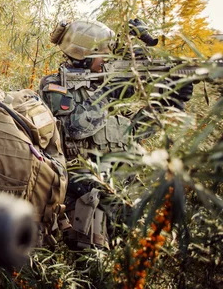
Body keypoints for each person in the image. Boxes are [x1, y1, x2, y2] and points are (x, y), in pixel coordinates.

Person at [38, 19, 193, 250]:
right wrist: (110, 92)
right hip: (83, 191)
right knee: (92, 262)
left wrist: (169, 103)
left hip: (119, 187)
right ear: (86, 55)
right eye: (104, 55)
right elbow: (76, 127)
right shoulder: (55, 85)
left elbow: (132, 130)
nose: (108, 60)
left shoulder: (102, 84)